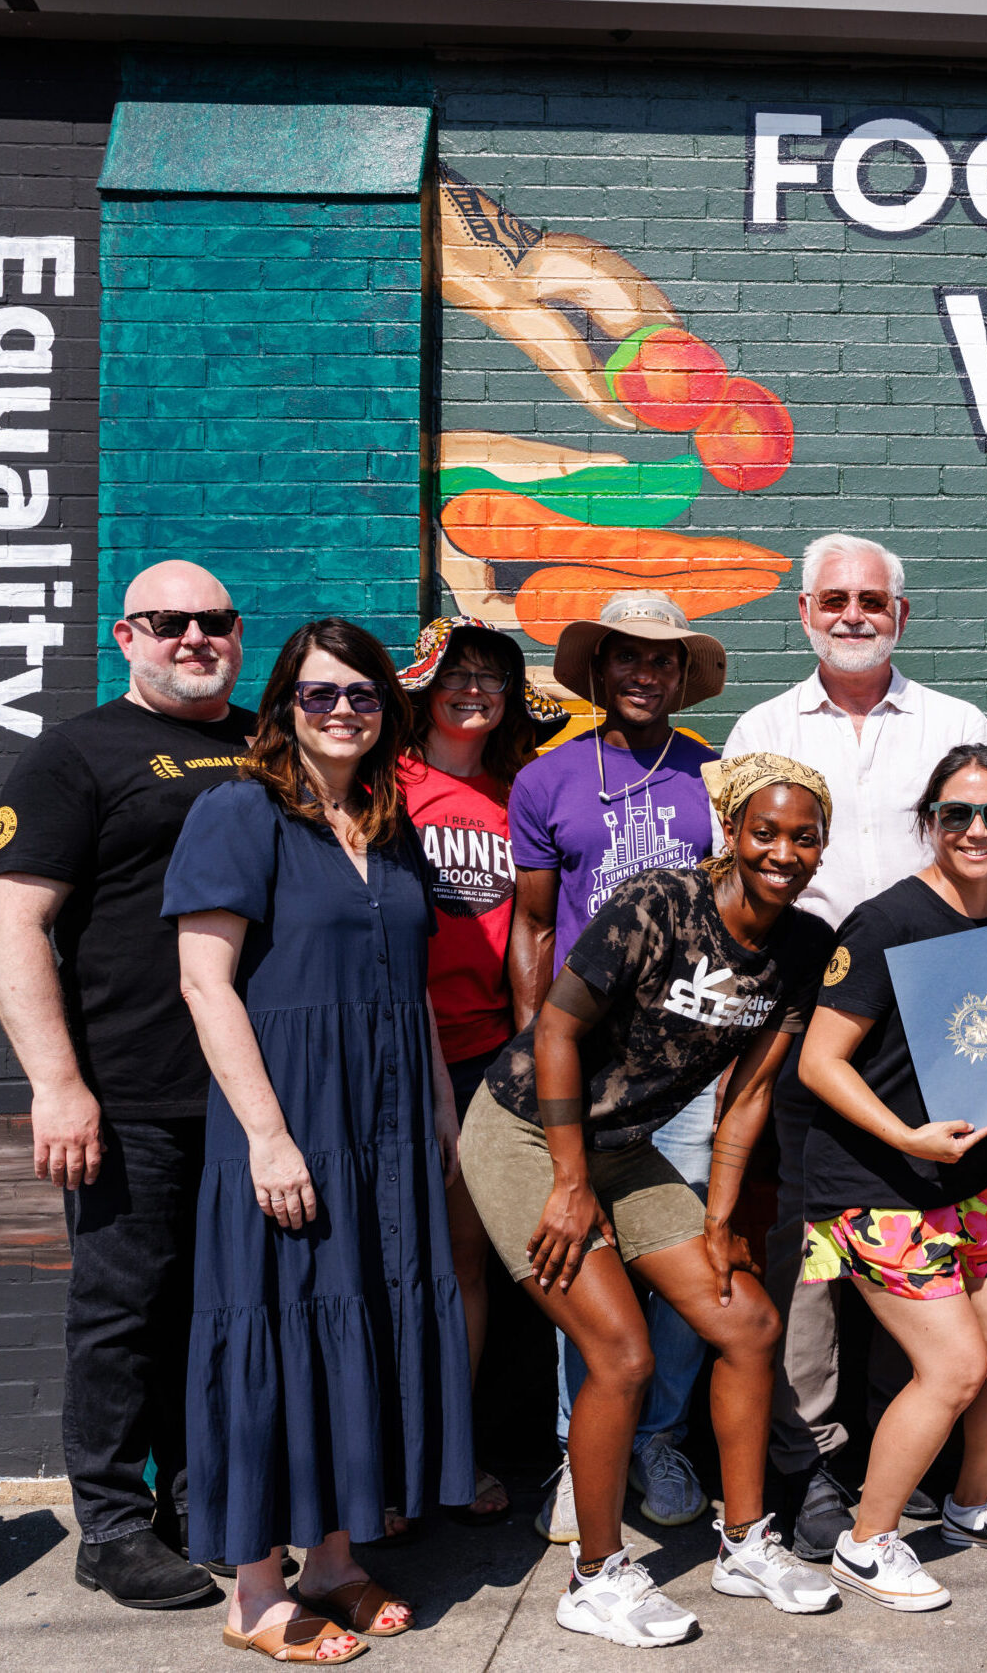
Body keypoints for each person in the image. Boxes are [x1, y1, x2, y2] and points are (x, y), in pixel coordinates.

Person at [461, 753, 839, 1644]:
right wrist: (567, 1181)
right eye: (766, 832)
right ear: (734, 833)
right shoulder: (661, 903)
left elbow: (746, 1097)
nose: (784, 851)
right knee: (622, 1355)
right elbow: (555, 1027)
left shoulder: (803, 947)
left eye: (804, 836)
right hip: (526, 1133)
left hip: (626, 1151)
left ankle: (745, 1543)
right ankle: (594, 1577)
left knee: (745, 1323)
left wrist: (716, 1222)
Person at [163, 618, 475, 1661]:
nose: (344, 711)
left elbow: (412, 988)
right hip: (291, 1112)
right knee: (278, 1324)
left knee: (363, 1320)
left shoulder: (389, 825)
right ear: (283, 706)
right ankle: (256, 1592)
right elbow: (205, 983)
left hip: (387, 1118)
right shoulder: (239, 810)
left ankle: (334, 1558)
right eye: (320, 694)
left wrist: (439, 1104)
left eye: (363, 696)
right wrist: (266, 1135)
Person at [0, 562, 252, 1609]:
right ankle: (111, 1524)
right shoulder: (76, 753)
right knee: (123, 1312)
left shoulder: (263, 746)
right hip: (130, 1091)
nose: (193, 637)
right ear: (126, 635)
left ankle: (194, 1508)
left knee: (212, 1312)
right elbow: (12, 921)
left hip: (246, 1094)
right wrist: (57, 1081)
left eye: (213, 622)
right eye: (169, 622)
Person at [721, 534, 987, 1555]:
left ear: (902, 615)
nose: (852, 613)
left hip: (934, 1015)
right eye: (833, 598)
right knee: (807, 1253)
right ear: (802, 611)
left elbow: (986, 866)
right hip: (801, 1008)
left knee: (922, 1235)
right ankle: (815, 1465)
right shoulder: (762, 726)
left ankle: (902, 1451)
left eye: (872, 599)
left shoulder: (959, 725)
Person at [795, 743, 987, 1612]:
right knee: (951, 1369)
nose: (977, 829)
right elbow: (819, 1062)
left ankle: (971, 1508)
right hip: (872, 1185)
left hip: (969, 1182)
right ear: (930, 823)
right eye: (958, 814)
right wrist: (906, 1132)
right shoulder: (886, 921)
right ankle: (867, 1545)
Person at [508, 592, 724, 1540]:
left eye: (663, 660)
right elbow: (533, 924)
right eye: (628, 658)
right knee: (580, 1254)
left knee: (682, 1263)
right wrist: (532, 1048)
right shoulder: (547, 781)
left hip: (687, 1059)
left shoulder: (718, 779)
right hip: (584, 1062)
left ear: (683, 676)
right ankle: (575, 1447)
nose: (646, 673)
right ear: (600, 671)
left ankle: (660, 1440)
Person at [395, 615, 565, 1527]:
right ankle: (381, 1455)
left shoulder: (516, 795)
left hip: (482, 1061)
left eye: (491, 677)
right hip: (386, 1060)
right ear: (425, 684)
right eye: (455, 673)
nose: (473, 689)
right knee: (388, 1259)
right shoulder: (386, 782)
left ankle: (448, 1453)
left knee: (467, 1263)